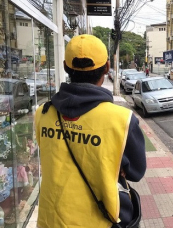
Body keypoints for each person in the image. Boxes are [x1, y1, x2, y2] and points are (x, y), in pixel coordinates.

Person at [35, 34, 146, 228]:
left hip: (50, 220)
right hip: (100, 222)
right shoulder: (123, 120)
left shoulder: (42, 113)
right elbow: (136, 172)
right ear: (106, 67)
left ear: (64, 66)